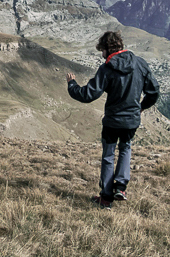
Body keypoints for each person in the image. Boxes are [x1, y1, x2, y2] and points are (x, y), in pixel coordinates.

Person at [67, 31, 159, 209]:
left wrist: (72, 84)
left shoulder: (107, 69)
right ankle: (121, 187)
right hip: (131, 120)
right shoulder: (140, 64)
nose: (101, 54)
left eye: (102, 50)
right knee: (126, 147)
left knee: (108, 155)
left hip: (112, 121)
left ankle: (106, 198)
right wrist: (141, 107)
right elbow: (154, 91)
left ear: (107, 49)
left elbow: (88, 94)